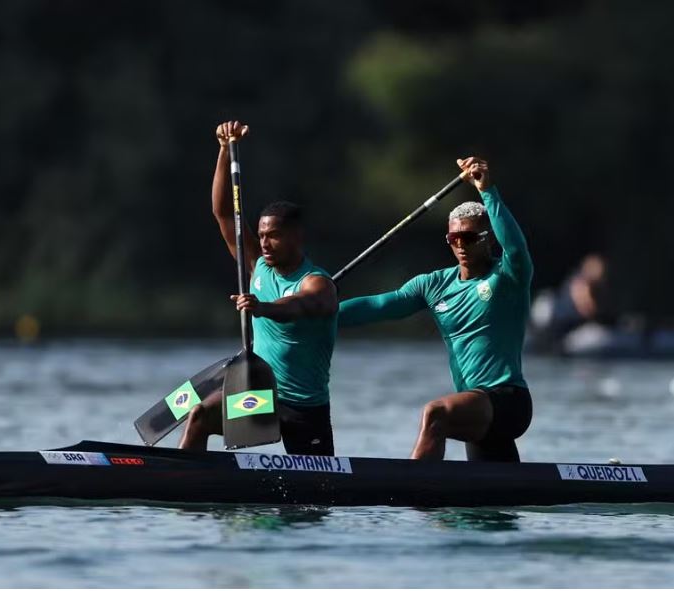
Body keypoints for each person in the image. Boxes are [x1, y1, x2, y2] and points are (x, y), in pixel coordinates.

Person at [339, 157, 532, 462]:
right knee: (491, 506)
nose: (460, 245)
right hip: (476, 406)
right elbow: (380, 306)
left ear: (487, 238)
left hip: (508, 400)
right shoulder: (434, 285)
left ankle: (410, 495)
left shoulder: (508, 277)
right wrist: (318, 316)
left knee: (436, 414)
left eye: (468, 237)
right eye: (453, 238)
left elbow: (517, 248)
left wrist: (488, 190)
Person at [179, 121, 339, 455]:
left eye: (274, 235)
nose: (264, 243)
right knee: (199, 415)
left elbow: (298, 306)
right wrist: (224, 149)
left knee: (311, 505)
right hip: (260, 398)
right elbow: (223, 212)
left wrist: (262, 307)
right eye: (262, 235)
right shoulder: (257, 266)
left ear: (297, 236)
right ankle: (183, 483)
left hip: (303, 409)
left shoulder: (318, 283)